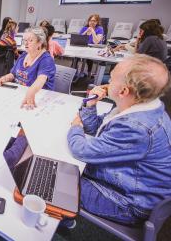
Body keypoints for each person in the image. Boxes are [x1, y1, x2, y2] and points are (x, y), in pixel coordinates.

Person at [68, 54, 171, 225]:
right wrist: (90, 105)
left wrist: (75, 128)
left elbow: (82, 150)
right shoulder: (140, 107)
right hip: (128, 183)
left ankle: (64, 220)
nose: (107, 82)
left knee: (57, 177)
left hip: (128, 203)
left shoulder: (137, 127)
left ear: (123, 91)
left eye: (112, 77)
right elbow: (97, 129)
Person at [0, 27, 56, 110]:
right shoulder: (24, 55)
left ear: (40, 42)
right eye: (25, 40)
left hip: (38, 98)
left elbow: (41, 79)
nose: (26, 43)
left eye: (30, 40)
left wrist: (30, 92)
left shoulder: (46, 60)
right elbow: (13, 74)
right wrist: (5, 78)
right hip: (20, 94)